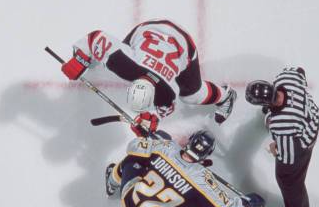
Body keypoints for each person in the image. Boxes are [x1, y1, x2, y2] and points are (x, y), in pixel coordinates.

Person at [60, 19, 237, 132]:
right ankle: (224, 95)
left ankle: (226, 95)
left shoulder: (164, 88)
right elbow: (95, 38)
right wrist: (81, 59)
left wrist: (80, 59)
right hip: (162, 33)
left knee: (192, 95)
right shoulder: (162, 91)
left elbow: (94, 38)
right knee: (193, 96)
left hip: (170, 38)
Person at [105, 129, 265, 207]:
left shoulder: (165, 147)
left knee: (132, 160)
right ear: (207, 154)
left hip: (129, 202)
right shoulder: (202, 180)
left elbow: (133, 147)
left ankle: (112, 181)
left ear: (189, 141)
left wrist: (152, 140)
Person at [246, 67, 319, 207]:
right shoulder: (287, 79)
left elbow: (288, 158)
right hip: (310, 116)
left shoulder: (280, 125)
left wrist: (276, 149)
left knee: (287, 178)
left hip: (304, 139)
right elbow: (299, 71)